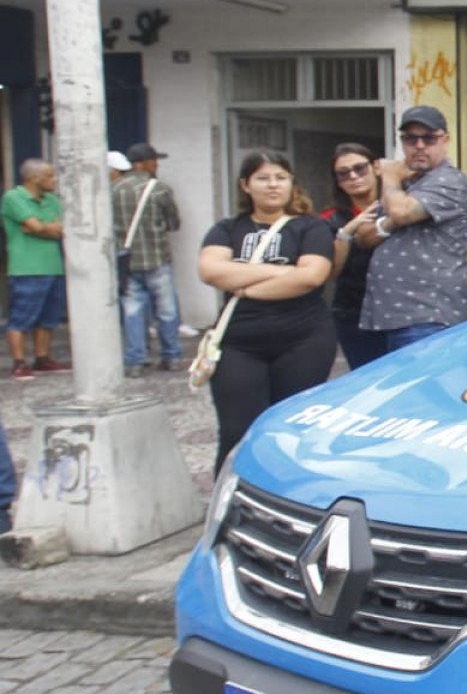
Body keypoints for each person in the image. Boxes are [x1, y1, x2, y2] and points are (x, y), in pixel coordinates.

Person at [198, 152, 337, 472]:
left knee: (292, 430)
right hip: (239, 342)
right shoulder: (227, 228)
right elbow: (210, 271)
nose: (272, 185)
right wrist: (282, 272)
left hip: (304, 340)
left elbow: (311, 277)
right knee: (236, 431)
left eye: (280, 177)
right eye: (263, 178)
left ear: (291, 183)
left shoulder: (310, 228)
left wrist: (244, 284)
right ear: (246, 185)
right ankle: (232, 501)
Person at [342, 106, 467, 356]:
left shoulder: (449, 180)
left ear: (445, 140)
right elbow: (364, 236)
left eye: (429, 138)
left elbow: (401, 212)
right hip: (386, 317)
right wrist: (389, 222)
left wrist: (390, 179)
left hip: (427, 316)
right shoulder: (406, 185)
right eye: (411, 139)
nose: (420, 145)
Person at [112, 141, 184, 378]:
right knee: (167, 311)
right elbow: (174, 223)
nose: (157, 165)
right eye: (154, 160)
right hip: (157, 258)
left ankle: (135, 361)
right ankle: (171, 356)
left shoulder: (115, 189)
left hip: (128, 261)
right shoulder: (159, 189)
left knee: (132, 312)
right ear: (143, 164)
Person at [3, 159, 70, 380]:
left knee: (48, 317)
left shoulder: (52, 200)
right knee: (21, 317)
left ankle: (42, 358)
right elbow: (35, 226)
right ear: (34, 178)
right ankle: (19, 362)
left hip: (53, 265)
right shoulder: (14, 197)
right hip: (26, 268)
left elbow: (62, 227)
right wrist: (43, 228)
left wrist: (43, 228)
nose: (54, 180)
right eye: (50, 175)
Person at [321, 143, 385, 370]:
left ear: (376, 167)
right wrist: (347, 232)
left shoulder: (397, 206)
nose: (353, 176)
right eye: (344, 173)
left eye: (360, 168)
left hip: (402, 310)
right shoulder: (330, 219)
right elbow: (329, 272)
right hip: (353, 310)